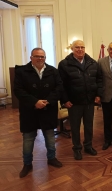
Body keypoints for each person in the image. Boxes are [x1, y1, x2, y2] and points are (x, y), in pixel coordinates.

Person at [14, 48, 63, 178]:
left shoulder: (53, 71)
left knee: (50, 137)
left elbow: (59, 88)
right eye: (37, 56)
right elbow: (18, 90)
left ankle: (51, 158)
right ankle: (27, 164)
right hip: (29, 111)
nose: (40, 59)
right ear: (31, 57)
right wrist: (34, 102)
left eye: (42, 57)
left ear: (45, 58)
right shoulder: (21, 71)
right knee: (28, 139)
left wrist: (47, 101)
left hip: (48, 110)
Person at [58, 40, 101, 160]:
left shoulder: (93, 63)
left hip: (89, 101)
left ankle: (88, 146)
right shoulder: (64, 64)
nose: (80, 49)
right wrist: (65, 100)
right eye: (77, 47)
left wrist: (98, 95)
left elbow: (98, 81)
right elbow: (61, 85)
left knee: (89, 126)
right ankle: (77, 148)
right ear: (72, 49)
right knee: (75, 127)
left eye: (82, 47)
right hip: (74, 102)